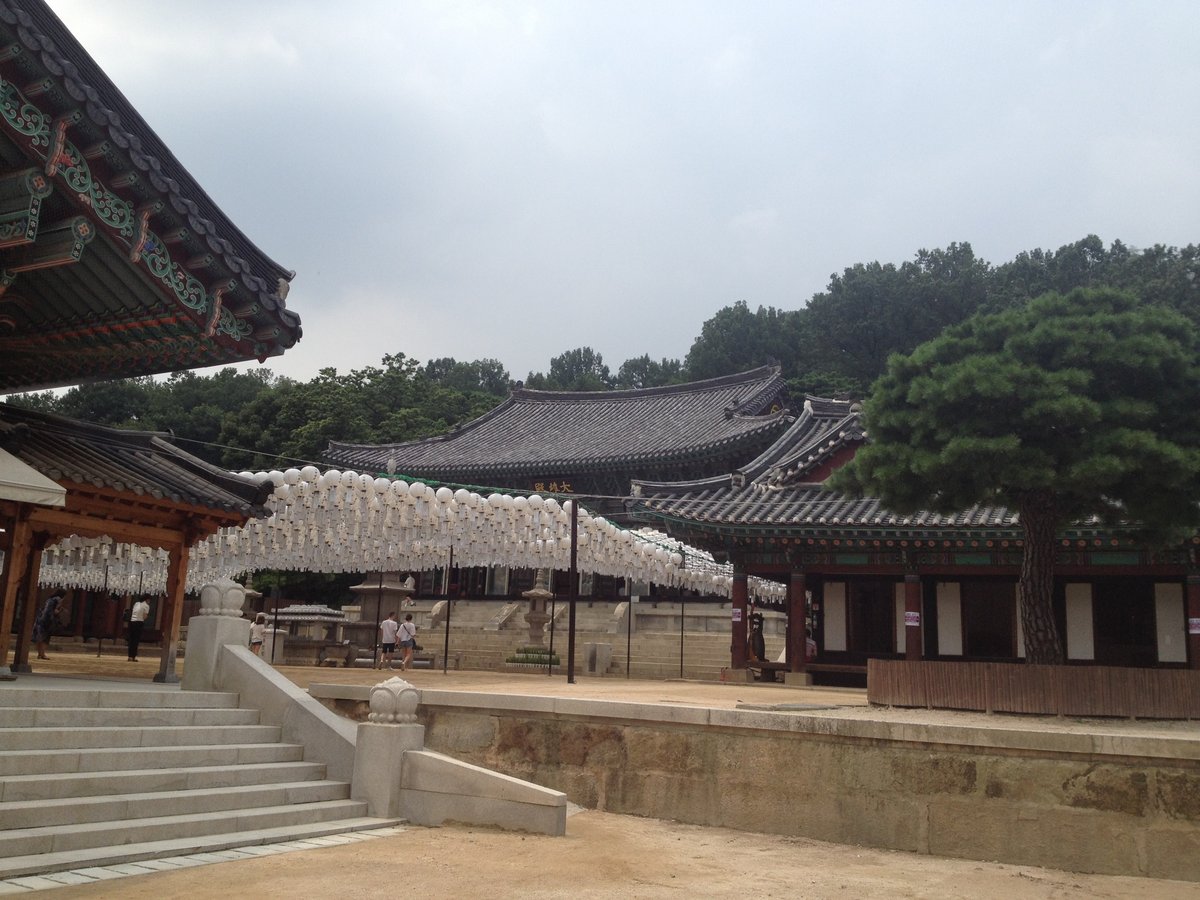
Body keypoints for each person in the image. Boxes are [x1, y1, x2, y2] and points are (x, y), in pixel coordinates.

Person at [32, 593, 63, 660]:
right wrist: (59, 611)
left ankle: (40, 653)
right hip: (47, 622)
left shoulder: (48, 600)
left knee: (39, 638)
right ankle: (42, 654)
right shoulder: (56, 600)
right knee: (45, 639)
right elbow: (53, 612)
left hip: (40, 620)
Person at [127, 596, 151, 662]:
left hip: (132, 622)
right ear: (147, 600)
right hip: (139, 623)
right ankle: (133, 656)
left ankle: (130, 656)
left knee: (131, 640)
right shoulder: (146, 606)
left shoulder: (136, 604)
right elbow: (144, 616)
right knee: (136, 640)